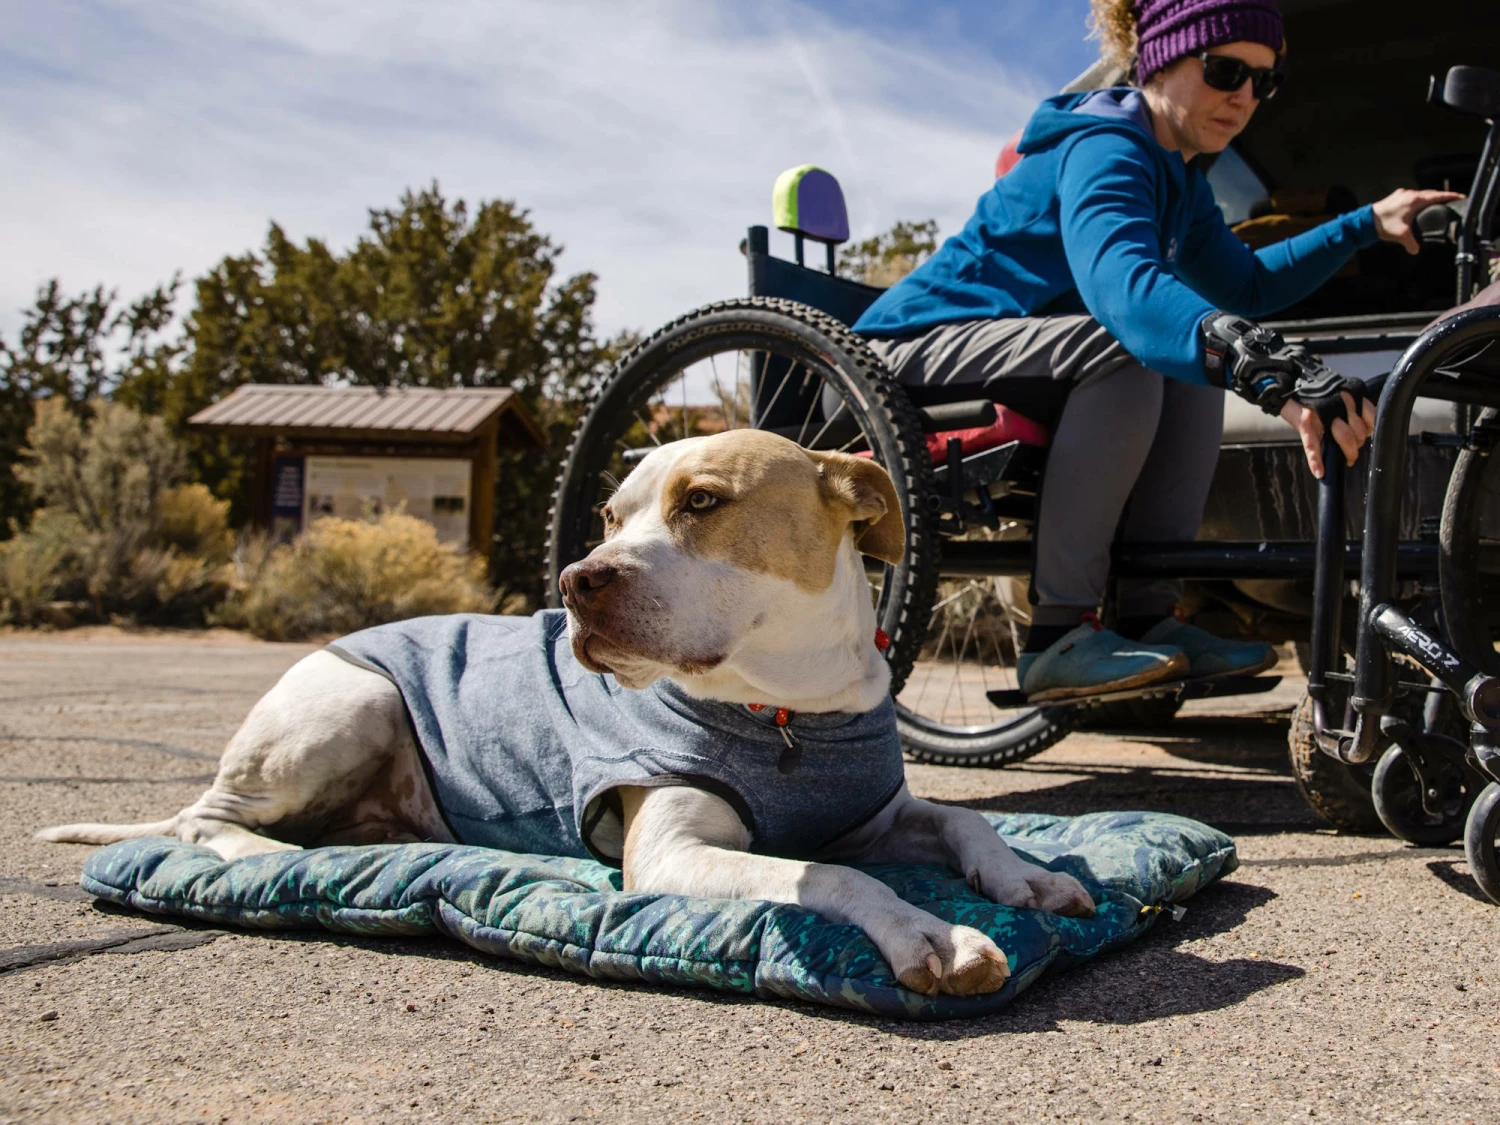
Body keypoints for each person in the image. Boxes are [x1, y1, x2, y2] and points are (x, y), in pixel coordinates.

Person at [852, 0, 1462, 702]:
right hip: (903, 353)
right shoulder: (1105, 146)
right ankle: (1058, 635)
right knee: (1127, 344)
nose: (1244, 96)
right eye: (1226, 70)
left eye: (1264, 81)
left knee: (1188, 362)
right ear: (1161, 60)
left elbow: (1248, 284)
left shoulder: (1180, 180)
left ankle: (1148, 617)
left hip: (1004, 354)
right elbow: (1125, 291)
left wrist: (1364, 225)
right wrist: (1270, 374)